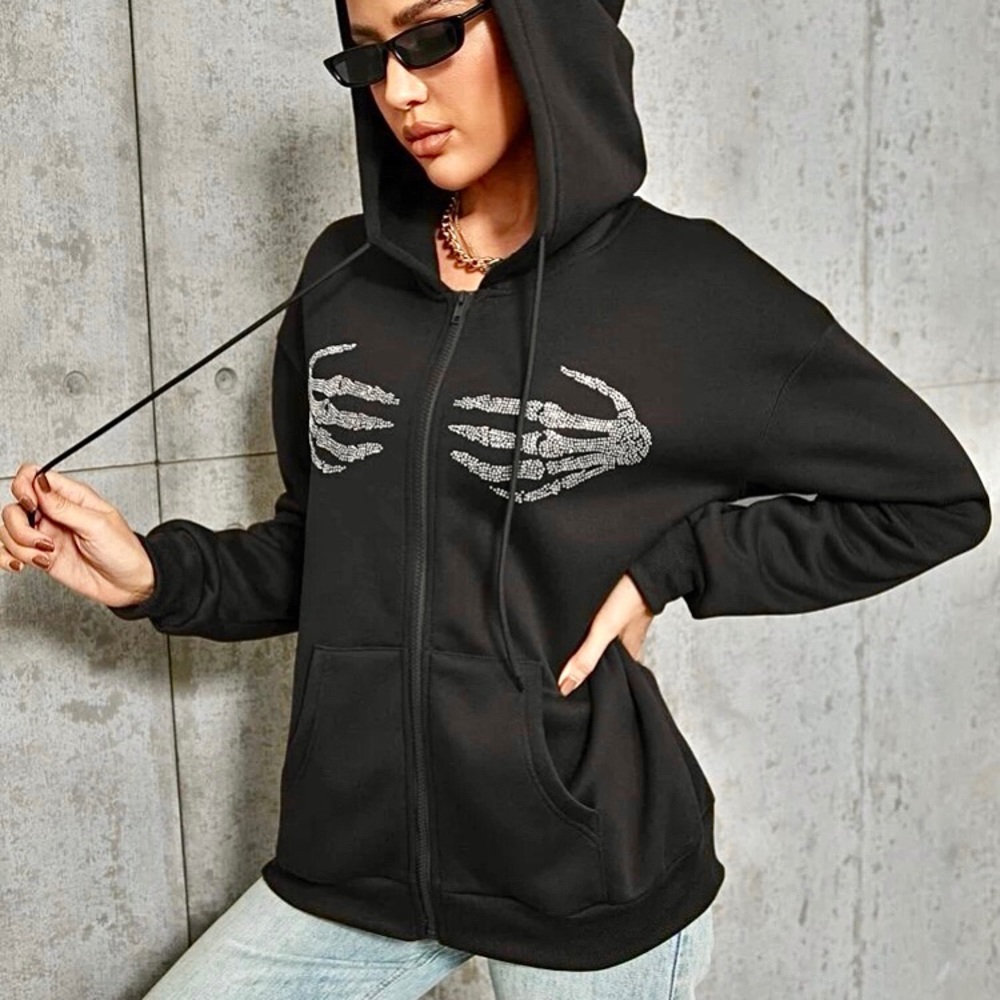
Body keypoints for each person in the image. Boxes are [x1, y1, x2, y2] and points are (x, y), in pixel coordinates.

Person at [1, 0, 991, 996]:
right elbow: (320, 552)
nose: (399, 90)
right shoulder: (341, 277)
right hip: (358, 861)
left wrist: (678, 564)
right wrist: (152, 573)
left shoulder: (691, 291)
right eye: (368, 58)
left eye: (431, 37)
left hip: (584, 887)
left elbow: (933, 500)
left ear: (541, 25)